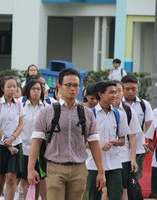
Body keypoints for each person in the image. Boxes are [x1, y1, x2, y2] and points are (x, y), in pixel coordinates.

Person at [28, 68, 106, 200]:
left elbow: (94, 143)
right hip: (55, 167)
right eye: (68, 85)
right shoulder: (46, 112)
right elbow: (36, 142)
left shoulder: (87, 113)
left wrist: (101, 172)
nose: (72, 89)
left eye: (75, 85)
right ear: (59, 86)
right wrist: (30, 169)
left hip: (79, 168)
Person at [86, 81, 130, 200]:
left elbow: (122, 140)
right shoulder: (90, 114)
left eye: (115, 92)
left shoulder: (119, 114)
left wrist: (113, 142)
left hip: (114, 163)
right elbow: (83, 141)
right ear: (101, 94)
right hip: (93, 165)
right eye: (111, 92)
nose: (115, 95)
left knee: (116, 195)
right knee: (93, 196)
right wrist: (99, 145)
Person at [0, 76, 25, 200]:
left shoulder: (18, 104)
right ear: (2, 88)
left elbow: (21, 124)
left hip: (16, 143)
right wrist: (8, 143)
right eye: (9, 86)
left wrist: (13, 138)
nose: (12, 89)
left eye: (14, 86)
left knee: (11, 179)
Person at [113, 81, 142, 200]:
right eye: (114, 91)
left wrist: (133, 158)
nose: (117, 94)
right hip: (105, 157)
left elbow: (132, 136)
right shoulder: (98, 110)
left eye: (119, 91)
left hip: (123, 156)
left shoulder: (128, 110)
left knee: (125, 188)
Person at [121, 75, 153, 179]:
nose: (130, 92)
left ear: (137, 88)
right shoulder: (117, 104)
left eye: (133, 89)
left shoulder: (144, 104)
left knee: (135, 179)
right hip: (120, 148)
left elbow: (150, 125)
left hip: (139, 147)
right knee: (120, 179)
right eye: (127, 89)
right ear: (122, 89)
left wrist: (149, 142)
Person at [20, 79, 46, 199]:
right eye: (33, 89)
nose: (36, 92)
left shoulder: (46, 108)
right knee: (27, 180)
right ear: (28, 91)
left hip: (42, 150)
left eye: (38, 89)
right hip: (25, 149)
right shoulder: (22, 106)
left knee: (40, 179)